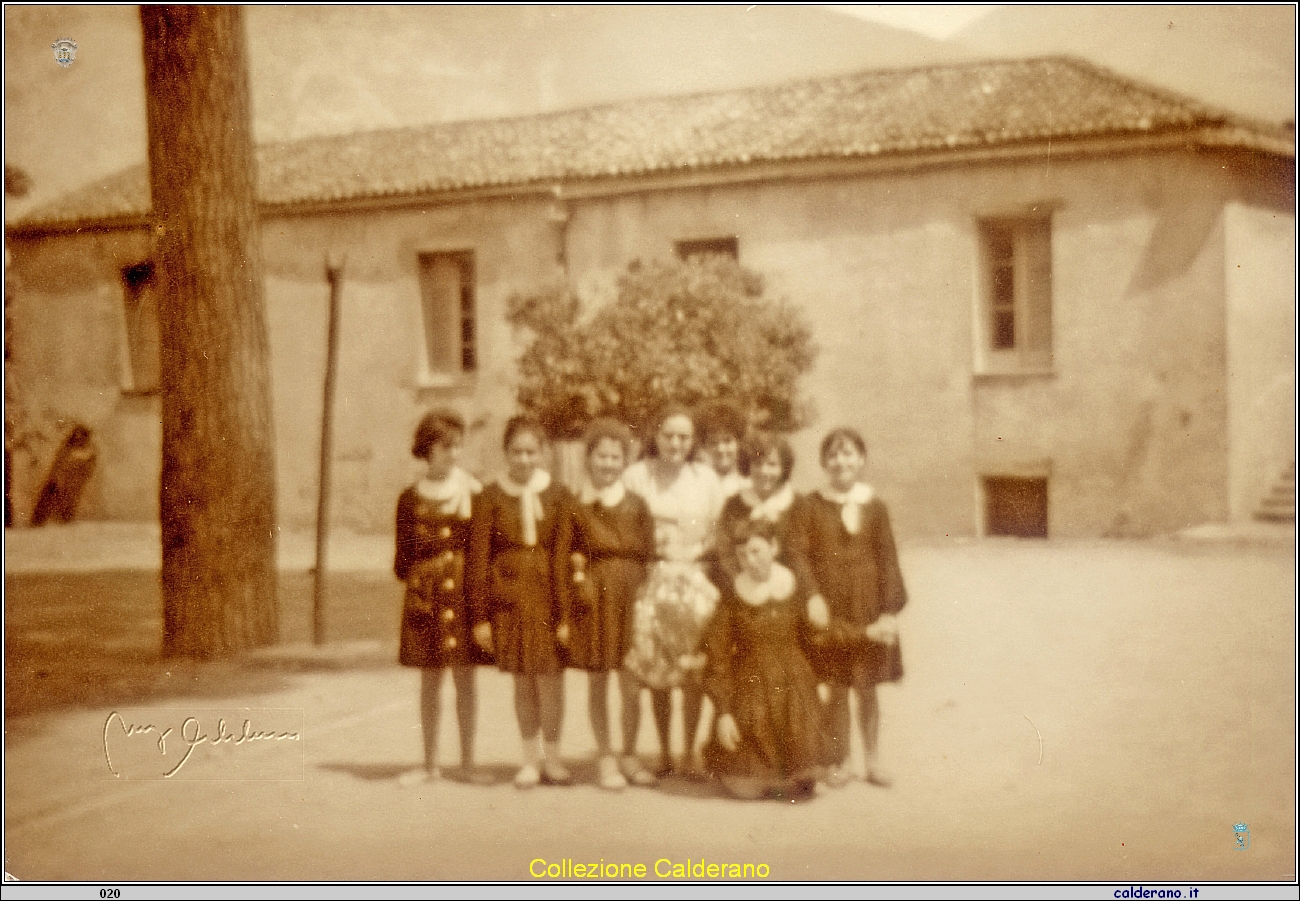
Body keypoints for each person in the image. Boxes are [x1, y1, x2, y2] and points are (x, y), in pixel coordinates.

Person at [787, 427, 906, 789]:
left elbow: (887, 559)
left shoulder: (875, 506)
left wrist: (889, 610)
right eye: (834, 455)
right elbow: (797, 555)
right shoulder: (810, 505)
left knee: (867, 688)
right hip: (830, 608)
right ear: (824, 462)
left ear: (861, 460)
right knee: (836, 688)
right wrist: (811, 595)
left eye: (849, 454)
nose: (841, 462)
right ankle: (840, 761)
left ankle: (873, 760)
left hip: (868, 606)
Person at [468, 415, 575, 789]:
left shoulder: (560, 496)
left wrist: (565, 614)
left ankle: (555, 759)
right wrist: (480, 617)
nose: (525, 460)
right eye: (517, 452)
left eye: (531, 451)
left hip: (548, 596)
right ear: (506, 452)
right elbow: (478, 559)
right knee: (523, 683)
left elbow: (563, 555)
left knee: (550, 681)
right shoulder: (489, 497)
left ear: (543, 452)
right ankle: (529, 760)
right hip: (509, 598)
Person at [622, 404, 725, 780]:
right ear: (656, 435)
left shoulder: (706, 479)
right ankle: (664, 751)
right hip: (653, 580)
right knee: (658, 673)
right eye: (668, 435)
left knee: (692, 673)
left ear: (693, 440)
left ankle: (688, 752)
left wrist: (694, 553)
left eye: (684, 436)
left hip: (696, 581)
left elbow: (717, 532)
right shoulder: (636, 476)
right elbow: (626, 526)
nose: (676, 443)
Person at [393, 408, 492, 784]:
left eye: (457, 446)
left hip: (462, 595)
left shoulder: (472, 491)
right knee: (430, 680)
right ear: (427, 449)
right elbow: (402, 559)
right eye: (445, 447)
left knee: (465, 678)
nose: (453, 454)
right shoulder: (410, 499)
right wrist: (424, 576)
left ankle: (467, 764)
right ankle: (431, 763)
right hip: (426, 598)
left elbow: (484, 546)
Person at [702, 518, 829, 801]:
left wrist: (819, 682)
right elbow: (717, 656)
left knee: (801, 785)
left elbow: (815, 641)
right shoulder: (733, 597)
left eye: (756, 551)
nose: (749, 561)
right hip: (751, 688)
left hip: (794, 688)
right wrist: (723, 712)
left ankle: (789, 772)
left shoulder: (795, 589)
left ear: (774, 547)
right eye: (741, 555)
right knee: (745, 788)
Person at [564, 418, 657, 790]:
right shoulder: (576, 504)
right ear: (588, 460)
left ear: (624, 461)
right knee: (599, 680)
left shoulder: (637, 504)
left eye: (615, 457)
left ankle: (630, 754)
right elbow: (568, 551)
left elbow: (649, 555)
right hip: (596, 596)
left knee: (631, 682)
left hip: (631, 594)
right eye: (601, 457)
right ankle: (605, 758)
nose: (607, 464)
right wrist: (578, 576)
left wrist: (647, 600)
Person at [710, 432, 798, 587]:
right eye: (758, 463)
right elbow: (725, 552)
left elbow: (802, 556)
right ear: (748, 466)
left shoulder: (797, 505)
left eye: (772, 464)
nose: (764, 471)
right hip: (741, 587)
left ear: (783, 468)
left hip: (789, 590)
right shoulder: (734, 504)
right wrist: (741, 580)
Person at [699, 401, 749, 500]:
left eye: (727, 441)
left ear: (738, 442)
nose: (720, 449)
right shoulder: (696, 486)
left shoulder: (749, 487)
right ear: (704, 447)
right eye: (713, 442)